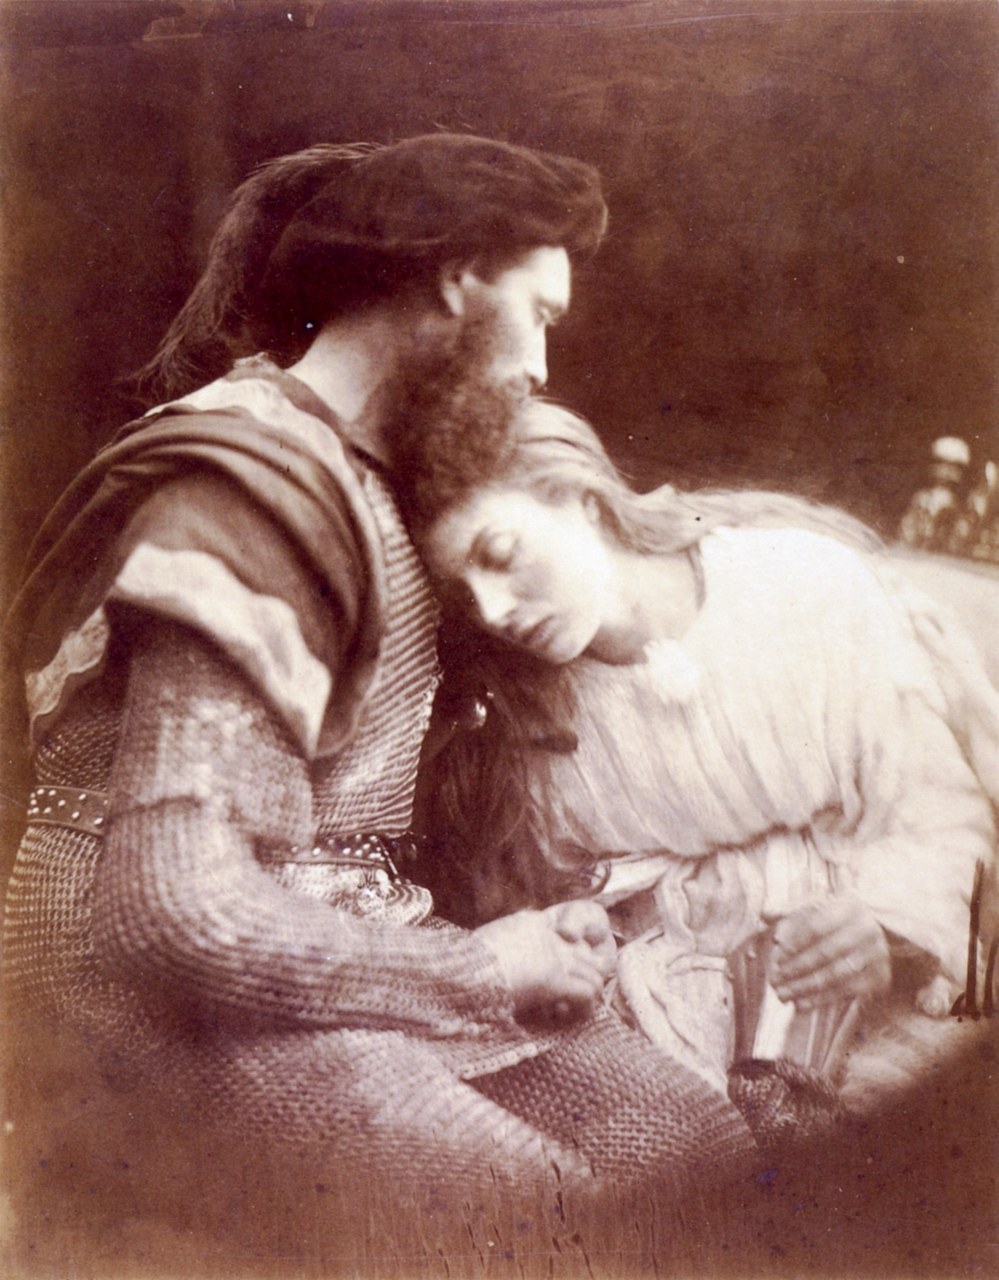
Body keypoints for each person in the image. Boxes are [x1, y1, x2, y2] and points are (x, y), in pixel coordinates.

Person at [1, 136, 756, 1252]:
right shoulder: (251, 490)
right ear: (458, 279)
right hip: (141, 989)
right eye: (538, 313)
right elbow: (173, 907)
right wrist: (482, 966)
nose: (539, 367)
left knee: (694, 1147)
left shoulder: (370, 470)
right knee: (536, 1224)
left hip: (324, 949)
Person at [415, 399, 999, 1134]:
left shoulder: (801, 586)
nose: (495, 610)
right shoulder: (518, 718)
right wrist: (573, 928)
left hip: (855, 986)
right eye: (467, 596)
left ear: (580, 496)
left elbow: (941, 813)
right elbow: (535, 903)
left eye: (500, 554)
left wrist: (884, 927)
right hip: (660, 1008)